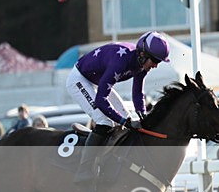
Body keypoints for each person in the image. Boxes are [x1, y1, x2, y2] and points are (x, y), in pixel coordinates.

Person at [66, 30, 170, 183]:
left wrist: (142, 114)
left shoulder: (141, 64)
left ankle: (111, 161)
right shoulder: (120, 62)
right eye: (155, 61)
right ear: (142, 54)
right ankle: (84, 168)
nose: (155, 65)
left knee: (128, 117)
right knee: (105, 121)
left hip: (95, 81)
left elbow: (137, 92)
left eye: (158, 62)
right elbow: (101, 100)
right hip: (79, 80)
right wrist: (122, 121)